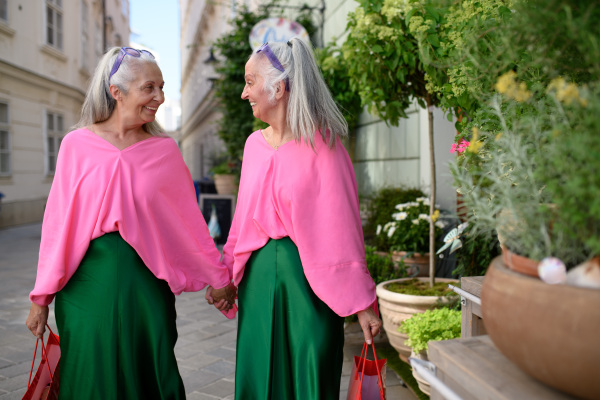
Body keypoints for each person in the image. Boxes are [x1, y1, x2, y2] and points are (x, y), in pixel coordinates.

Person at [25, 46, 236, 399]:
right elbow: (58, 225)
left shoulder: (165, 151)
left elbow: (188, 225)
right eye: (149, 87)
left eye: (162, 87)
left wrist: (219, 278)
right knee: (91, 374)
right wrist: (41, 297)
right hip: (85, 287)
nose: (160, 97)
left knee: (151, 372)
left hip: (147, 286)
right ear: (116, 92)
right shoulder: (76, 146)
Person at [206, 38, 382, 399]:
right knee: (259, 372)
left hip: (310, 285)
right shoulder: (254, 145)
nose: (244, 93)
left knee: (311, 374)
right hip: (256, 282)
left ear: (280, 88)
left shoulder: (326, 146)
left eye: (251, 81)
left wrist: (363, 303)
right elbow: (241, 220)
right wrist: (226, 277)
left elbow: (345, 229)